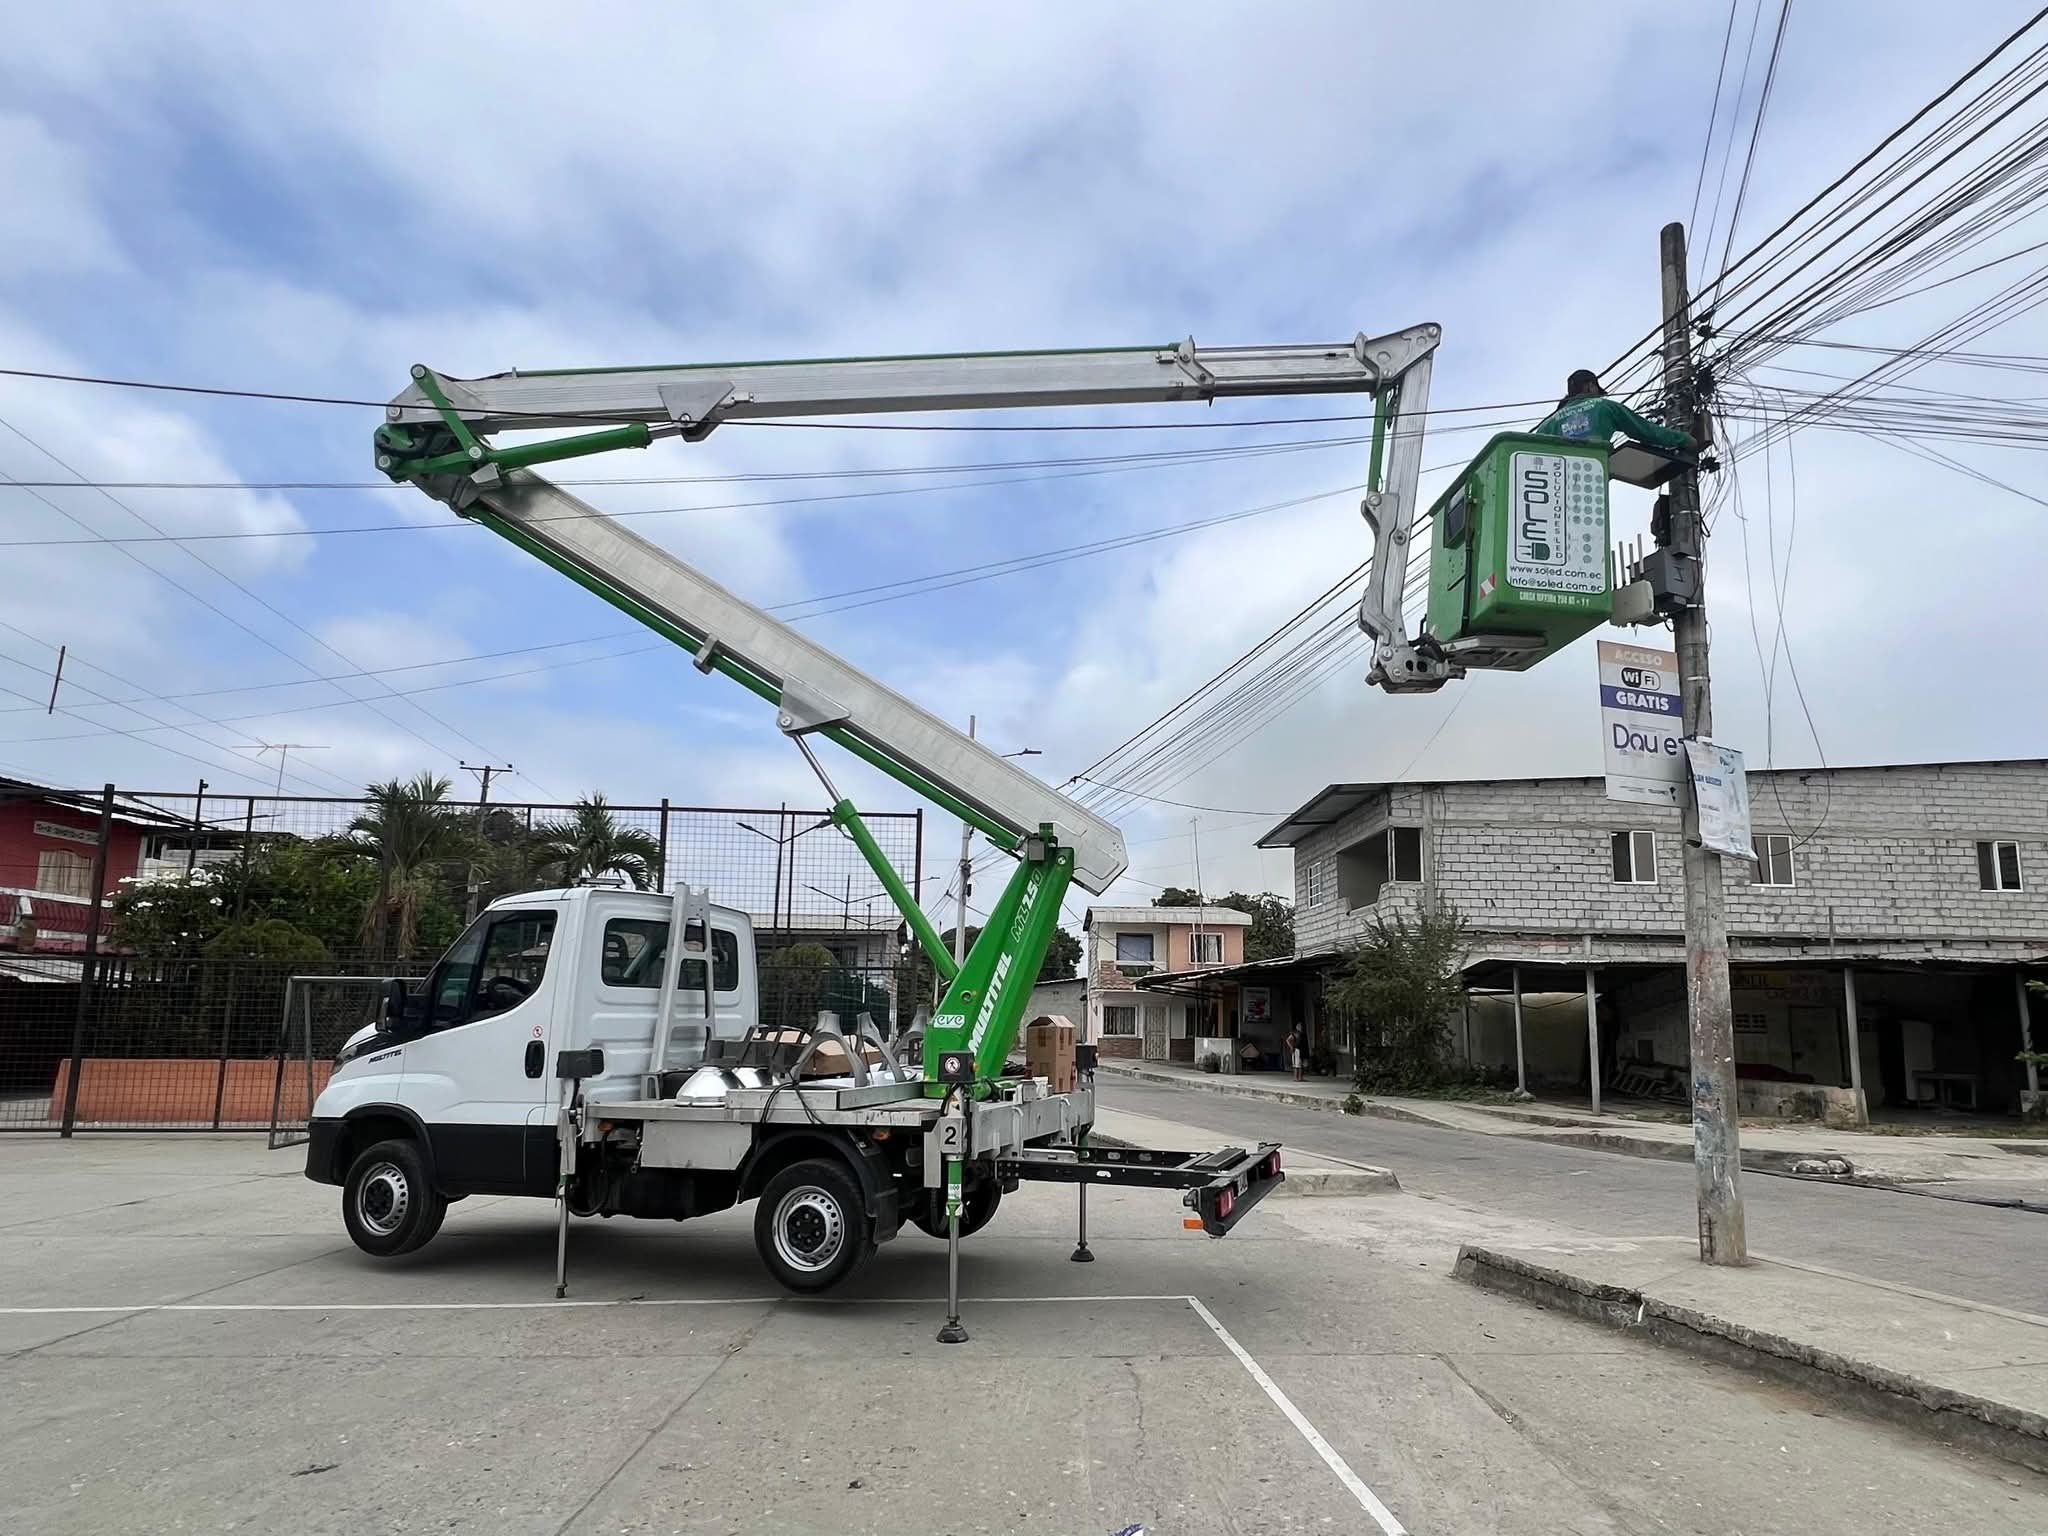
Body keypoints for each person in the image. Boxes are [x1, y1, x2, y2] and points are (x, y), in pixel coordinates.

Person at [1533, 370, 1695, 455]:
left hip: (1555, 487)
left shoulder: (1548, 424)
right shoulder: (1605, 406)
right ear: (1589, 386)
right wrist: (1684, 440)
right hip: (1591, 476)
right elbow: (1645, 431)